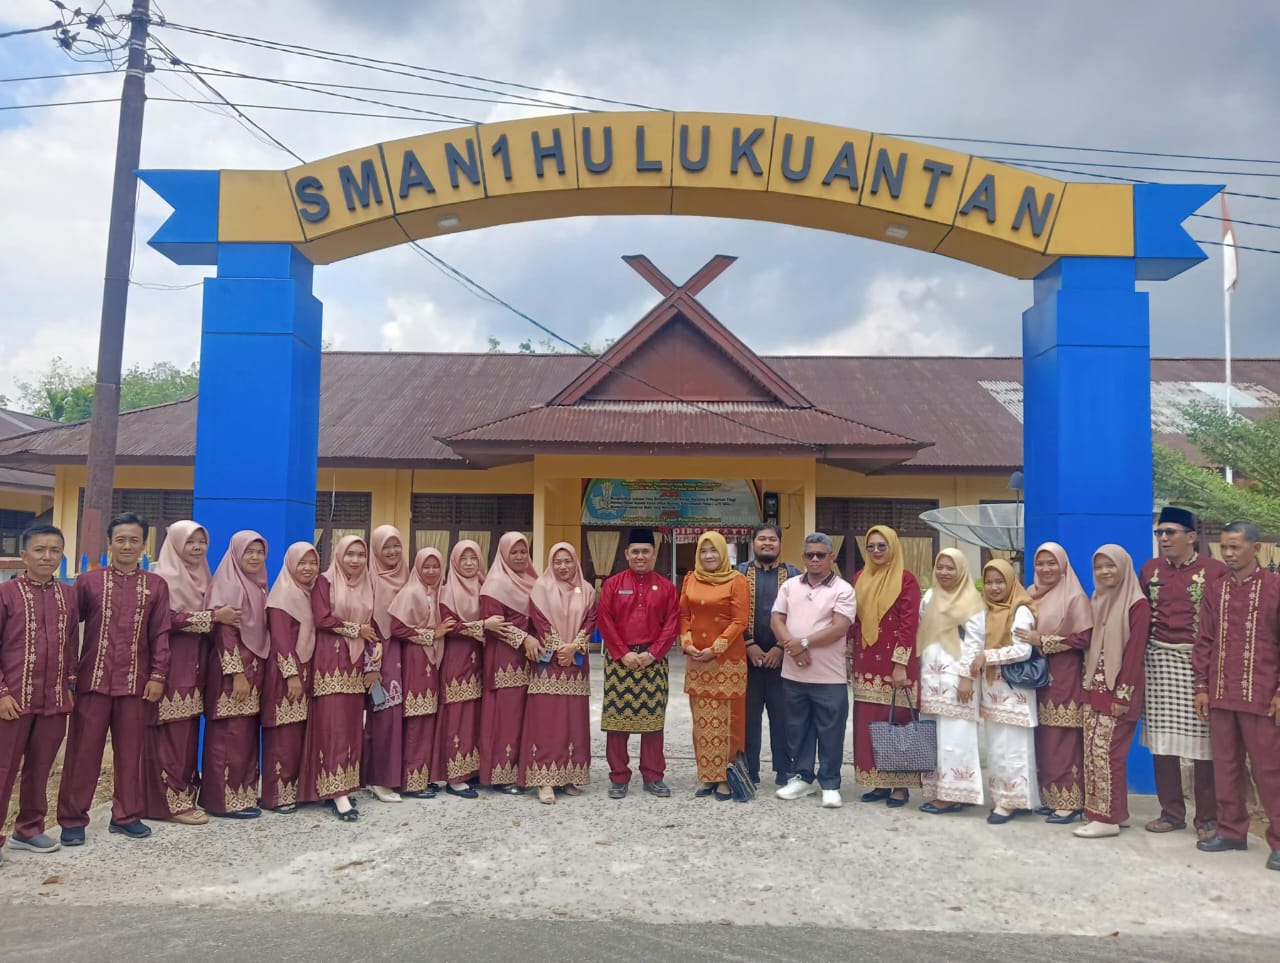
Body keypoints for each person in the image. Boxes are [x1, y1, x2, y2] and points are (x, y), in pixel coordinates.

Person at [58, 512, 171, 845]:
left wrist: (158, 675)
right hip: (92, 682)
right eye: (120, 539)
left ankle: (126, 816)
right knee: (83, 753)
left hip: (136, 684)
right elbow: (68, 630)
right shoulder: (88, 582)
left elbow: (160, 633)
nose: (127, 546)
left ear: (144, 544)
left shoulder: (156, 586)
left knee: (131, 753)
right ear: (109, 543)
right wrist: (70, 674)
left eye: (134, 540)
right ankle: (72, 819)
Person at [1193, 522, 1280, 871]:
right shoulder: (1216, 589)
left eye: (1235, 547)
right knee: (1225, 765)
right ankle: (1231, 832)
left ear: (1255, 549)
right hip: (1220, 693)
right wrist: (1201, 687)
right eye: (1224, 547)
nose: (1228, 554)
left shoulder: (1275, 587)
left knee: (1270, 769)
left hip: (1263, 695)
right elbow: (1204, 641)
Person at [1140, 506, 1227, 839]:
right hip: (1158, 663)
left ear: (1191, 537)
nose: (1163, 538)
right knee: (1161, 743)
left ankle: (1207, 818)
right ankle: (1171, 812)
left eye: (1170, 532)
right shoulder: (1150, 569)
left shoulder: (1215, 571)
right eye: (1159, 533)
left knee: (1204, 745)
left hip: (1198, 663)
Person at [143, 521, 235, 826]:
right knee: (171, 736)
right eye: (190, 542)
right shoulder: (163, 578)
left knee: (187, 736)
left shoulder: (204, 575)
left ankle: (182, 797)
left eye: (201, 542)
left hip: (196, 666)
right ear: (175, 544)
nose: (197, 548)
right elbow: (164, 621)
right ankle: (169, 804)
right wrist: (212, 617)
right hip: (171, 666)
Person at [0, 526, 78, 861]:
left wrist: (70, 685)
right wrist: (1, 693)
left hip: (54, 699)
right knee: (3, 768)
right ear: (24, 555)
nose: (47, 557)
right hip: (12, 700)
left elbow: (72, 643)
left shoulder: (68, 595)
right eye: (39, 550)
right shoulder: (6, 594)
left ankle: (29, 829)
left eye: (55, 550)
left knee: (41, 766)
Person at [772, 532, 857, 808]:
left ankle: (830, 784)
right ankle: (803, 779)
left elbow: (840, 627)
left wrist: (804, 643)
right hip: (793, 674)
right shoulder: (790, 586)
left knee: (831, 731)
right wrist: (794, 647)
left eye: (821, 554)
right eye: (810, 555)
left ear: (832, 557)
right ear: (803, 557)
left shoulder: (843, 589)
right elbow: (776, 619)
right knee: (797, 729)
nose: (815, 559)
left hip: (829, 676)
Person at [1073, 545, 1151, 839]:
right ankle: (1116, 812)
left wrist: (1123, 695)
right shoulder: (1098, 600)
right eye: (1099, 567)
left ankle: (1105, 819)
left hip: (1119, 692)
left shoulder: (1137, 605)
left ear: (1124, 567)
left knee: (1107, 754)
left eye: (1111, 565)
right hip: (1094, 689)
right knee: (1094, 752)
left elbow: (1134, 654)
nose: (1104, 572)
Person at [301, 534, 379, 821]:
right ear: (339, 555)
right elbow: (322, 619)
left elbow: (373, 624)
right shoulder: (325, 581)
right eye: (350, 554)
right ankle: (336, 792)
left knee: (350, 728)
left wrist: (375, 648)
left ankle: (342, 786)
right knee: (332, 727)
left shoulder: (368, 584)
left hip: (355, 664)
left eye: (361, 555)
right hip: (330, 663)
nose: (355, 560)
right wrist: (356, 630)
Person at [1015, 542, 1093, 823]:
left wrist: (1044, 640)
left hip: (1064, 675)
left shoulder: (1075, 597)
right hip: (1035, 675)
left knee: (1063, 739)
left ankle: (1070, 803)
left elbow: (1083, 638)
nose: (1045, 569)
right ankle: (1050, 798)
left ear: (1063, 566)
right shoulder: (1030, 594)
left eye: (1052, 563)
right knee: (1044, 739)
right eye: (1040, 563)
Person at [598, 528, 679, 799]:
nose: (640, 556)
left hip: (653, 662)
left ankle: (653, 776)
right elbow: (605, 621)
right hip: (620, 662)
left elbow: (672, 624)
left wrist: (653, 653)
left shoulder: (666, 587)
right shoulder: (613, 584)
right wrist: (623, 653)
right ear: (626, 554)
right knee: (616, 723)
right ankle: (618, 777)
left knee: (653, 723)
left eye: (646, 551)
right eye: (635, 552)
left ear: (654, 554)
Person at [849, 525, 922, 807]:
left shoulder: (906, 580)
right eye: (871, 547)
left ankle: (900, 787)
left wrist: (900, 664)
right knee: (870, 723)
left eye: (882, 546)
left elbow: (908, 624)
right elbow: (855, 621)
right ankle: (879, 782)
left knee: (898, 722)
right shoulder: (860, 577)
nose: (876, 551)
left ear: (893, 547)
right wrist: (849, 654)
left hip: (895, 664)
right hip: (866, 661)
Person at [521, 542, 596, 804]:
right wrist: (560, 648)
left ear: (575, 562)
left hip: (576, 664)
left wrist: (574, 646)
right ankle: (545, 780)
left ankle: (568, 776)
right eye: (557, 561)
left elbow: (590, 621)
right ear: (550, 563)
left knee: (573, 722)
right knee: (547, 723)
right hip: (548, 665)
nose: (563, 566)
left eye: (568, 561)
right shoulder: (540, 588)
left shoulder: (587, 590)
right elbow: (540, 623)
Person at [201, 531, 270, 819]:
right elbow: (225, 635)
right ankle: (221, 802)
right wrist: (236, 674)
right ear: (236, 554)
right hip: (232, 675)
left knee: (244, 737)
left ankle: (242, 797)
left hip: (254, 671)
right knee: (227, 738)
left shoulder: (258, 585)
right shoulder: (228, 584)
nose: (254, 557)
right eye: (248, 552)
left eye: (259, 552)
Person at [680, 531, 750, 799]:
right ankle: (707, 776)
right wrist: (687, 643)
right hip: (698, 660)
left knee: (728, 721)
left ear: (723, 553)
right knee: (703, 721)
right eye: (704, 551)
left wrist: (716, 648)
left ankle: (726, 777)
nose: (709, 556)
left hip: (726, 662)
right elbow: (684, 615)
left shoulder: (737, 580)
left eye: (714, 550)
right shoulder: (690, 579)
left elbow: (740, 621)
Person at [917, 549, 987, 813]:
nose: (944, 572)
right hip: (931, 678)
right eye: (940, 567)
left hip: (958, 680)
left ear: (961, 570)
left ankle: (954, 794)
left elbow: (976, 642)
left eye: (950, 568)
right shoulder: (930, 596)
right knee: (935, 736)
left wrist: (966, 678)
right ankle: (940, 790)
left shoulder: (970, 600)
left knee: (956, 737)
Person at [972, 558, 1040, 824]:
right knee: (997, 749)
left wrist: (987, 656)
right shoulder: (986, 610)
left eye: (1000, 581)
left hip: (1015, 693)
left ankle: (1009, 803)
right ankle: (1012, 799)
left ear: (1011, 581)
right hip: (993, 691)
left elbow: (1023, 650)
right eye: (989, 582)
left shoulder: (1020, 610)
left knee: (1013, 749)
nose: (994, 587)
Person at [737, 524, 799, 787]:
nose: (767, 543)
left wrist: (781, 647)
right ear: (753, 543)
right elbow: (731, 613)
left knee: (783, 718)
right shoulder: (739, 574)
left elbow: (800, 615)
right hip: (746, 661)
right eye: (761, 539)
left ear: (780, 544)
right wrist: (748, 644)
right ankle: (749, 770)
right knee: (748, 718)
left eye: (772, 539)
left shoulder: (794, 575)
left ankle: (785, 770)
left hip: (781, 662)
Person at [477, 532, 539, 792]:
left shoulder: (534, 581)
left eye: (524, 552)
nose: (520, 557)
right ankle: (502, 776)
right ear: (503, 554)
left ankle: (524, 771)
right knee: (506, 719)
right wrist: (524, 638)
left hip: (531, 660)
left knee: (526, 718)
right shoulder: (494, 586)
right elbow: (495, 625)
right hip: (505, 661)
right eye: (514, 552)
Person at [388, 547, 450, 799]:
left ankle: (421, 778)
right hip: (416, 658)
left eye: (436, 566)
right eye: (426, 566)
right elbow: (397, 628)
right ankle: (411, 782)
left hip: (431, 659)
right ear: (417, 568)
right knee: (416, 719)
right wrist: (431, 634)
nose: (432, 571)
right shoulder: (412, 591)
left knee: (427, 720)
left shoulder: (437, 592)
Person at [262, 542, 319, 814]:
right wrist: (292, 675)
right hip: (285, 676)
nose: (308, 568)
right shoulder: (282, 595)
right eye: (302, 563)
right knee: (282, 737)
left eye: (313, 562)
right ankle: (277, 796)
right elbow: (281, 641)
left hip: (306, 671)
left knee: (297, 736)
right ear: (290, 564)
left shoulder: (309, 594)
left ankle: (296, 791)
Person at [435, 540, 493, 799]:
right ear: (454, 562)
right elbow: (451, 626)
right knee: (458, 717)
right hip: (457, 660)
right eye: (464, 559)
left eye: (474, 558)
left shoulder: (485, 587)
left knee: (476, 716)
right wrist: (482, 626)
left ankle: (473, 770)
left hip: (481, 659)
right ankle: (455, 777)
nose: (469, 564)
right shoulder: (447, 591)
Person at [363, 525, 410, 803]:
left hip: (409, 654)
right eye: (386, 547)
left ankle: (400, 776)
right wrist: (371, 666)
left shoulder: (408, 577)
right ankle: (378, 779)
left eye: (396, 546)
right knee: (384, 714)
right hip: (382, 655)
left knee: (405, 716)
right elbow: (365, 623)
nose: (392, 552)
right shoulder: (368, 581)